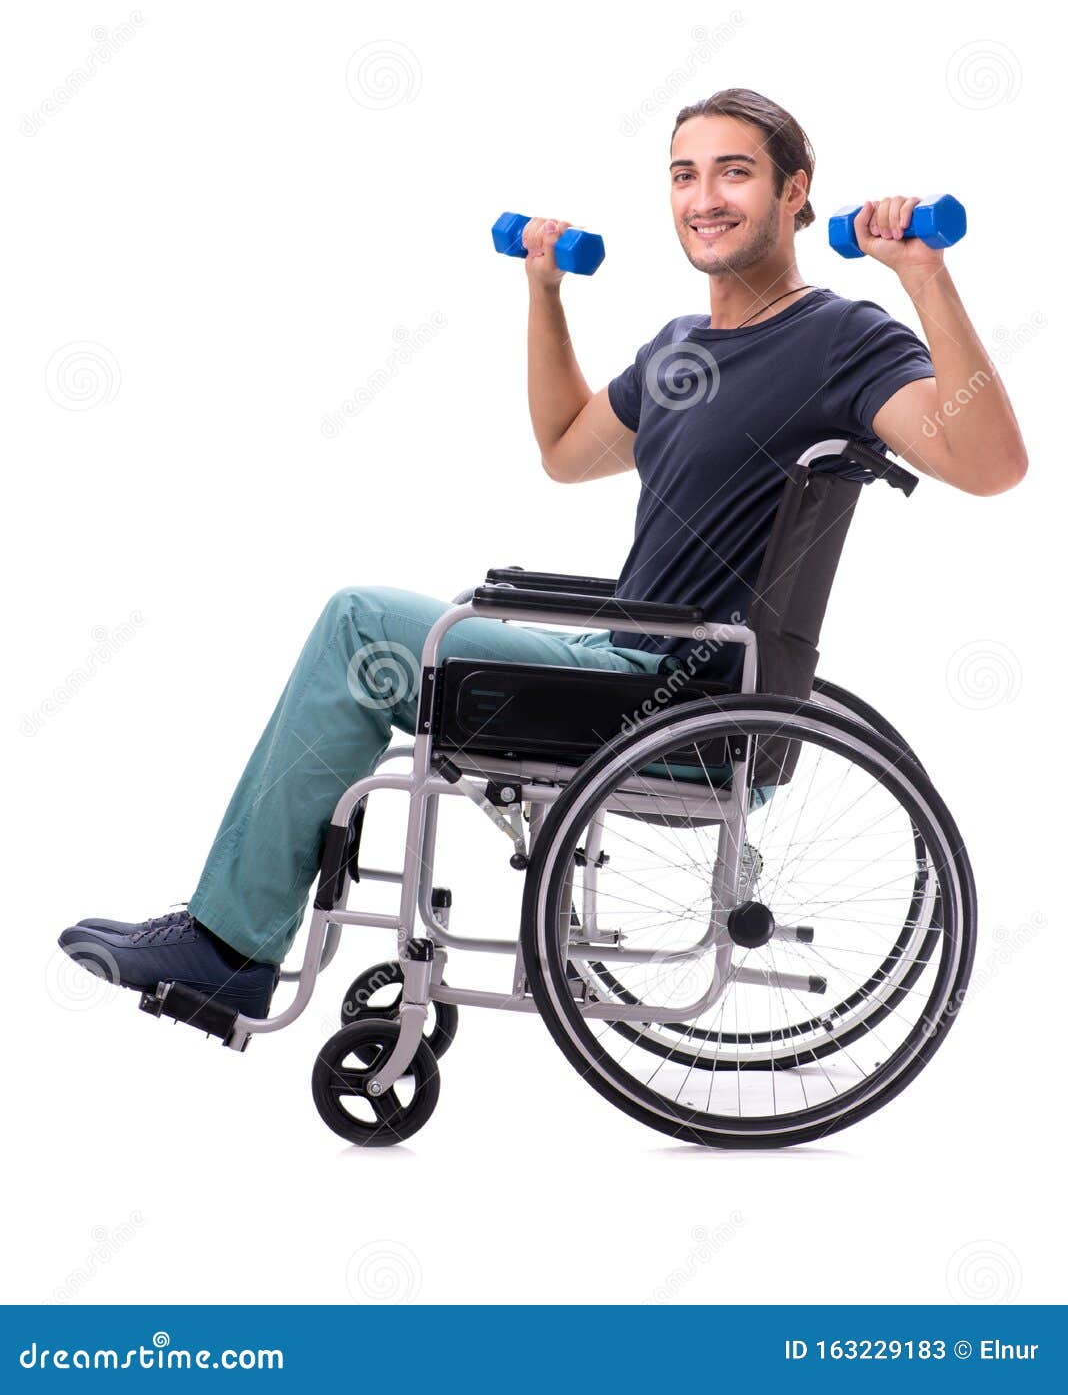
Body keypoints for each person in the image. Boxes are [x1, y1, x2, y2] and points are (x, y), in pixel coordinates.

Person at [58, 87, 1028, 1018]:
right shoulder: (679, 347)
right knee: (412, 625)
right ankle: (230, 936)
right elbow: (567, 450)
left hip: (670, 695)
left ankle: (226, 951)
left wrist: (923, 276)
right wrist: (544, 290)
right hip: (626, 667)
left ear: (796, 190)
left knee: (361, 625)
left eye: (734, 173)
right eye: (684, 175)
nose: (704, 199)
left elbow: (989, 464)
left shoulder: (840, 339)